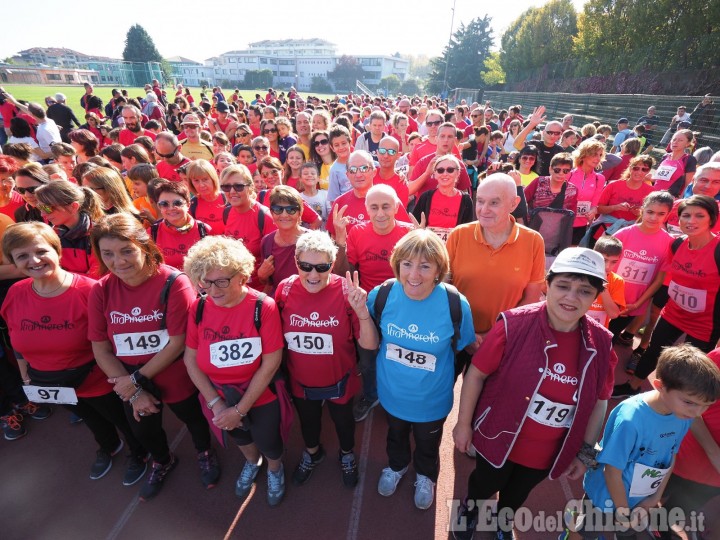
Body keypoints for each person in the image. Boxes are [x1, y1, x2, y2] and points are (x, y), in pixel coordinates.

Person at [452, 247, 617, 540]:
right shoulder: (513, 324)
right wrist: (463, 424)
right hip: (497, 436)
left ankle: (504, 521)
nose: (570, 297)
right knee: (483, 483)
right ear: (547, 286)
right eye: (563, 286)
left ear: (595, 298)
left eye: (584, 291)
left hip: (548, 451)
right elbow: (476, 373)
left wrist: (586, 450)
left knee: (517, 494)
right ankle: (469, 510)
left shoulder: (602, 343)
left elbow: (600, 401)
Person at [0, 222, 148, 483]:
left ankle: (140, 451)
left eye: (41, 251)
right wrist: (26, 378)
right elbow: (15, 339)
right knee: (89, 418)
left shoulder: (90, 291)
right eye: (22, 256)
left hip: (99, 381)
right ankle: (108, 445)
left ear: (58, 251)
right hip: (54, 384)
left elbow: (111, 343)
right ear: (13, 262)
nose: (34, 260)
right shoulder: (15, 293)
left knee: (121, 419)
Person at [88, 214, 219, 501]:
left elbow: (177, 342)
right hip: (129, 378)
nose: (118, 261)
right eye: (107, 253)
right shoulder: (100, 289)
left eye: (126, 251)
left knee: (194, 418)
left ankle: (204, 451)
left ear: (144, 246)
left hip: (173, 373)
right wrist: (134, 391)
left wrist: (134, 382)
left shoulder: (174, 282)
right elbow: (100, 347)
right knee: (143, 429)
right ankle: (162, 459)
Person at [363, 229, 474, 510]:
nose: (414, 275)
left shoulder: (455, 304)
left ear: (439, 270)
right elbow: (373, 337)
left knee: (427, 445)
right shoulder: (382, 295)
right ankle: (397, 466)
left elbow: (463, 345)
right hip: (391, 394)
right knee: (395, 435)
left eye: (425, 266)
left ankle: (426, 476)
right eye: (407, 264)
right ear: (397, 264)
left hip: (432, 401)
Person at [563, 344, 720, 540]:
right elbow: (612, 472)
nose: (697, 413)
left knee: (627, 533)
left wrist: (654, 498)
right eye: (690, 402)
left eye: (706, 406)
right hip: (607, 498)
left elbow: (670, 456)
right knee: (585, 531)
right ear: (660, 386)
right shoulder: (631, 419)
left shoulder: (683, 415)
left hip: (640, 498)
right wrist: (622, 513)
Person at [183, 236, 286, 506]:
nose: (213, 290)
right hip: (219, 395)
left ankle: (275, 469)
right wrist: (217, 404)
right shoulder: (198, 306)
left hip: (261, 395)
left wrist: (240, 410)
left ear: (242, 276)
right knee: (239, 435)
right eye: (206, 281)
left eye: (221, 281)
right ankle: (253, 463)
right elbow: (191, 360)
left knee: (269, 440)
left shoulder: (263, 307)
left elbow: (271, 362)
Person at [275, 231, 377, 488]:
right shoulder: (285, 290)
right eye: (305, 266)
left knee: (343, 422)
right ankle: (313, 454)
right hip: (300, 380)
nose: (312, 275)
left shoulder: (346, 291)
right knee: (308, 423)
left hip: (339, 379)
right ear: (296, 261)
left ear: (332, 265)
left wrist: (363, 314)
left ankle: (346, 454)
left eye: (321, 267)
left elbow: (369, 344)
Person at [614, 195, 720, 398]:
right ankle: (634, 385)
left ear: (711, 219)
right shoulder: (677, 244)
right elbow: (668, 278)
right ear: (678, 220)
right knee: (654, 350)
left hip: (705, 323)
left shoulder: (718, 249)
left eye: (699, 216)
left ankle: (678, 402)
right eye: (686, 216)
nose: (691, 221)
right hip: (673, 313)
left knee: (692, 366)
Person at [446, 173, 545, 377]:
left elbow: (531, 298)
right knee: (441, 395)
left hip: (503, 339)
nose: (484, 209)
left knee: (485, 401)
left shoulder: (534, 241)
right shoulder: (458, 235)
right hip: (455, 336)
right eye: (480, 201)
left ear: (514, 203)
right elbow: (444, 288)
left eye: (494, 203)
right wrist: (466, 335)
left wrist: (494, 336)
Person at [611, 191, 675, 347]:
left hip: (632, 304)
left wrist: (638, 303)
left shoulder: (669, 243)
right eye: (650, 212)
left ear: (667, 215)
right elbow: (604, 267)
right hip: (609, 298)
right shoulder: (623, 234)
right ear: (642, 210)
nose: (654, 217)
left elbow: (659, 280)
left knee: (609, 339)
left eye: (661, 214)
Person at [220, 164, 277, 289]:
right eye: (226, 187)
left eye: (239, 186)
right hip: (235, 287)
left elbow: (275, 264)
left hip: (260, 290)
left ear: (250, 187)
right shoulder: (227, 213)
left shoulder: (265, 216)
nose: (232, 191)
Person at [34, 180, 104, 278]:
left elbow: (97, 276)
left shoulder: (99, 235)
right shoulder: (50, 235)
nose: (42, 214)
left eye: (47, 208)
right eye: (40, 208)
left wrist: (61, 276)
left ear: (73, 207)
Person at [148, 179, 210, 270]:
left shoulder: (204, 230)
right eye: (164, 204)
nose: (171, 208)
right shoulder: (152, 233)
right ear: (159, 207)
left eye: (177, 203)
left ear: (188, 204)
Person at [257, 186, 309, 295]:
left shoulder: (313, 241)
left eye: (291, 209)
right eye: (278, 209)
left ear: (300, 213)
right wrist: (261, 275)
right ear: (271, 213)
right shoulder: (267, 242)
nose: (284, 215)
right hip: (279, 304)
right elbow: (268, 283)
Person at [412, 155, 474, 243]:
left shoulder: (466, 200)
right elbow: (414, 226)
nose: (445, 174)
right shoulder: (426, 197)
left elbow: (467, 233)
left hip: (452, 251)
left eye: (450, 170)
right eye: (440, 170)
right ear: (435, 174)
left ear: (458, 173)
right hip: (428, 250)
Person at [568, 140, 605, 245]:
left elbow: (595, 203)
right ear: (583, 155)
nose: (598, 158)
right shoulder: (568, 174)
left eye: (600, 155)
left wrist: (593, 210)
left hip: (581, 223)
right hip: (563, 221)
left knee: (572, 253)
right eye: (594, 154)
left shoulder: (600, 178)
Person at [513, 106, 565, 176]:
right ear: (543, 132)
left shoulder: (560, 151)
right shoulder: (534, 145)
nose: (552, 136)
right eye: (549, 132)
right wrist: (531, 124)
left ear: (560, 135)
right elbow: (517, 144)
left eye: (556, 133)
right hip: (529, 182)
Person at [185, 159, 226, 235]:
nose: (201, 185)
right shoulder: (192, 204)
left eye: (205, 179)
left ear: (213, 178)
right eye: (196, 180)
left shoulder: (227, 199)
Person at [651, 129, 697, 197]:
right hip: (653, 195)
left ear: (687, 143)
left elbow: (688, 185)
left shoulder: (689, 159)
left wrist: (680, 200)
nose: (675, 142)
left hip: (671, 199)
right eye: (674, 139)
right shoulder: (665, 156)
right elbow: (657, 178)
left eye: (680, 140)